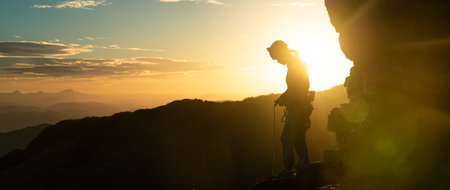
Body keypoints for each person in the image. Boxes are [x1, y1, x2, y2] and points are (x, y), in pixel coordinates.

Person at [267, 40, 312, 176]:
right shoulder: (294, 65)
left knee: (294, 137)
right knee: (288, 137)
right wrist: (283, 98)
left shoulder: (296, 66)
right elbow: (293, 88)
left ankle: (300, 167)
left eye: (276, 57)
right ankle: (293, 167)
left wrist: (286, 98)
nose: (277, 61)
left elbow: (302, 87)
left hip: (298, 107)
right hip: (296, 107)